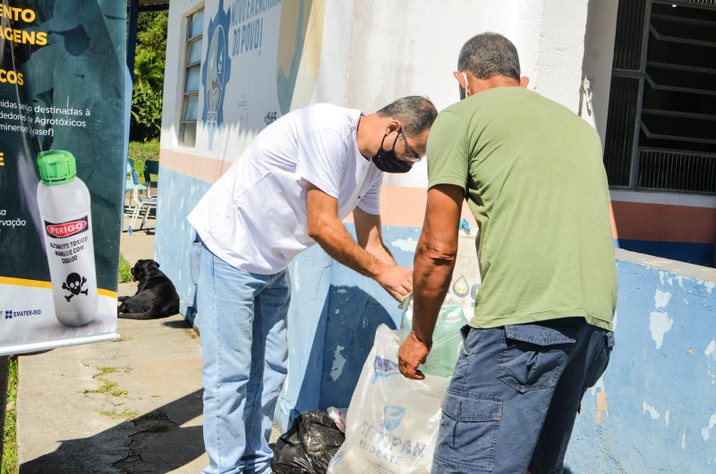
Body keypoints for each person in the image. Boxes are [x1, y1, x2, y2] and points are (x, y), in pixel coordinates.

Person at [398, 33, 617, 473]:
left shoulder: (460, 119)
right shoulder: (579, 128)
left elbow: (437, 250)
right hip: (594, 329)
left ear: (462, 79)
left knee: (470, 464)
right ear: (522, 79)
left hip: (521, 327)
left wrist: (420, 336)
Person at [188, 96, 437, 474]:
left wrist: (412, 296)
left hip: (272, 263)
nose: (411, 163)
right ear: (393, 128)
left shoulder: (371, 168)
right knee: (230, 376)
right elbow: (321, 225)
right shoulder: (327, 132)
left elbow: (372, 243)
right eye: (413, 153)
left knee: (270, 369)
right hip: (228, 252)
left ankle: (254, 464)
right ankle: (223, 470)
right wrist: (381, 273)